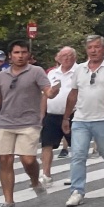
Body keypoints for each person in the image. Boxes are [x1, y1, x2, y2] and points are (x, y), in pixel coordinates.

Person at [0, 41, 51, 207]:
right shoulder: (2, 75)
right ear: (10, 55)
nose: (20, 56)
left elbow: (47, 90)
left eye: (23, 52)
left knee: (28, 160)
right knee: (5, 160)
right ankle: (8, 201)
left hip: (29, 122)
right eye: (16, 52)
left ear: (28, 54)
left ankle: (35, 181)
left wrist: (53, 92)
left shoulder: (36, 71)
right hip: (5, 122)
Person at [62, 34, 104, 207]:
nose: (93, 50)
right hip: (81, 118)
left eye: (97, 47)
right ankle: (77, 190)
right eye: (90, 47)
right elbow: (73, 94)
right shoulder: (79, 69)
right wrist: (66, 117)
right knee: (78, 154)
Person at [40, 46, 77, 188]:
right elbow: (45, 95)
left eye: (70, 55)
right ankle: (46, 175)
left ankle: (75, 174)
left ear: (74, 57)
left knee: (76, 145)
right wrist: (42, 115)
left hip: (73, 114)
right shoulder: (52, 73)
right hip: (52, 114)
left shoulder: (79, 71)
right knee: (46, 144)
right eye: (64, 55)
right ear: (58, 58)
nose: (67, 58)